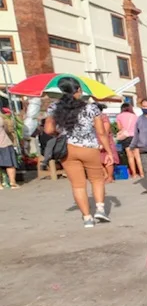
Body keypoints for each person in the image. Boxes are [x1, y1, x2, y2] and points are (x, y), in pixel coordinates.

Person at [44, 77, 115, 227]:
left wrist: (60, 134)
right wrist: (108, 151)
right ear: (78, 90)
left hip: (67, 149)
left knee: (78, 185)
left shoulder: (53, 107)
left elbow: (48, 130)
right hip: (89, 148)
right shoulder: (91, 108)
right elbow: (101, 133)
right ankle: (100, 209)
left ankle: (87, 218)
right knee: (97, 179)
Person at [115, 102, 142, 180]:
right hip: (135, 137)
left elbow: (119, 128)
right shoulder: (135, 116)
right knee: (138, 156)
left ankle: (134, 174)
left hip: (126, 138)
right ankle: (142, 173)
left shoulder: (119, 116)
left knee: (130, 156)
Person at [95, 103, 118, 182]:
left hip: (105, 141)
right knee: (98, 159)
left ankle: (110, 176)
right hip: (96, 141)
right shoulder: (92, 118)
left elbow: (106, 132)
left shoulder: (103, 117)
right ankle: (105, 175)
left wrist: (102, 143)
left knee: (107, 159)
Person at [0, 107, 18, 189]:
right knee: (10, 164)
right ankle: (12, 183)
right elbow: (8, 129)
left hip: (4, 142)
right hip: (4, 142)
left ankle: (0, 185)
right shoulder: (2, 117)